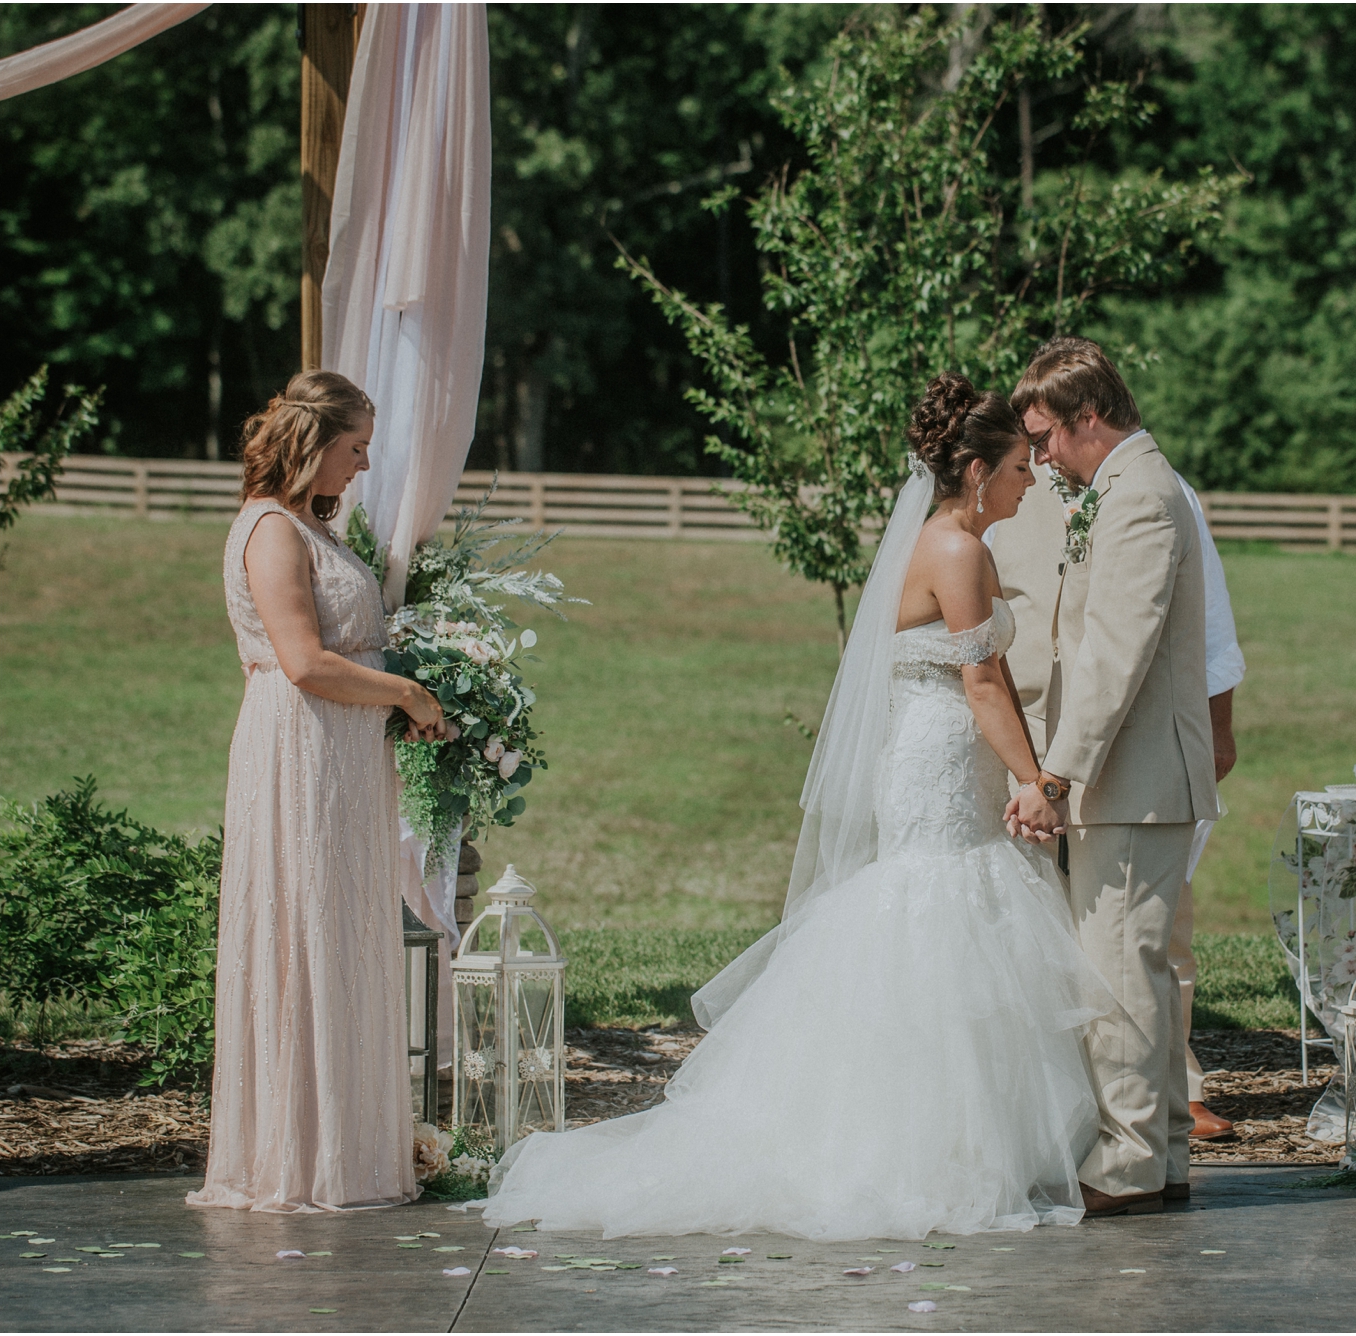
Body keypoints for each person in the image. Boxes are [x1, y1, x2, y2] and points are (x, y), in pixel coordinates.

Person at [474, 373, 1113, 1242]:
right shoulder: (958, 551)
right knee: (940, 922)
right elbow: (982, 682)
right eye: (1014, 467)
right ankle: (915, 1152)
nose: (1029, 480)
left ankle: (962, 1147)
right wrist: (1036, 784)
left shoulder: (966, 541)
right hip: (939, 762)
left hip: (952, 759)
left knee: (959, 928)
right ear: (972, 472)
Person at [188, 370, 446, 1214]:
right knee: (307, 934)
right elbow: (301, 661)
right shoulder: (270, 531)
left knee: (342, 935)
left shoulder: (312, 529)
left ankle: (352, 1149)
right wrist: (406, 693)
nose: (363, 466)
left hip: (339, 761)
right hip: (298, 753)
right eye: (355, 448)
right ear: (313, 443)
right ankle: (301, 1159)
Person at [1003, 338, 1221, 1216]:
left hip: (1133, 780)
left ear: (1089, 416)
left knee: (1118, 973)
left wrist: (1056, 778)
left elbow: (1113, 659)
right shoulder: (1123, 488)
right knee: (1140, 967)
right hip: (1133, 779)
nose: (1042, 455)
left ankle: (1125, 1164)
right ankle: (1163, 1153)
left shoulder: (1141, 500)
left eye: (1046, 435)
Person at [988, 446, 1244, 1143]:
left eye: (1044, 436)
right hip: (1018, 747)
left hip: (1122, 757)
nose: (1037, 456)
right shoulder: (997, 498)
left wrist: (1216, 731)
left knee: (1143, 940)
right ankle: (1071, 1117)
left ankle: (1161, 1113)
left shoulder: (1153, 492)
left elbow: (1204, 621)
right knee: (1046, 935)